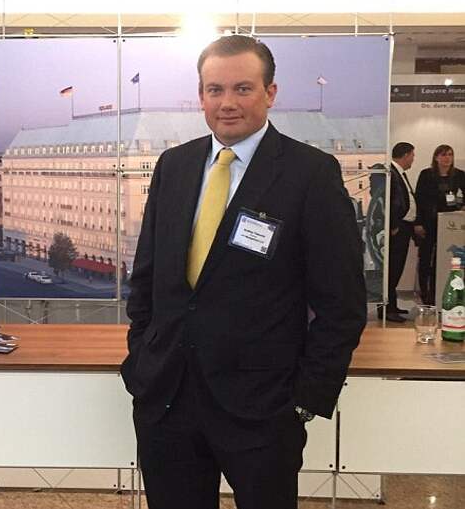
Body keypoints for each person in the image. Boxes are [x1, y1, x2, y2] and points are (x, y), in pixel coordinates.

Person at [120, 35, 366, 509]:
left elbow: (343, 304)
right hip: (167, 401)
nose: (227, 103)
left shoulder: (310, 174)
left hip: (263, 410)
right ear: (201, 96)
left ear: (270, 93)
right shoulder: (174, 165)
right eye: (215, 90)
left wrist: (305, 399)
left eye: (242, 88)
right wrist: (141, 361)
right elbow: (147, 278)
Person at [414, 144, 465, 305]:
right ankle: (425, 294)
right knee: (426, 259)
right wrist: (418, 223)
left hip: (450, 226)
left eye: (450, 154)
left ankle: (442, 292)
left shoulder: (460, 175)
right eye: (443, 155)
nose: (447, 158)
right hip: (428, 224)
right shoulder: (426, 175)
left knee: (445, 259)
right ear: (436, 157)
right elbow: (418, 200)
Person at [381, 142, 421, 323]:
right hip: (397, 229)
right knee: (393, 268)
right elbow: (389, 201)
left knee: (397, 268)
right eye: (412, 155)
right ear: (405, 155)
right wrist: (393, 225)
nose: (413, 159)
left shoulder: (399, 173)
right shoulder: (391, 174)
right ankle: (387, 309)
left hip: (404, 228)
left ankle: (392, 305)